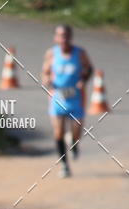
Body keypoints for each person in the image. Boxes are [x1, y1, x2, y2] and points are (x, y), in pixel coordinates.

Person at [42, 24, 93, 178]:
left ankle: (74, 144)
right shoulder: (51, 54)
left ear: (70, 37)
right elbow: (45, 72)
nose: (63, 39)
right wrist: (46, 80)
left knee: (76, 133)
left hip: (76, 98)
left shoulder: (80, 53)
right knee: (58, 133)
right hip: (57, 97)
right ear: (55, 38)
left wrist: (83, 80)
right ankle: (64, 165)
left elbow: (89, 69)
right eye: (60, 35)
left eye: (66, 35)